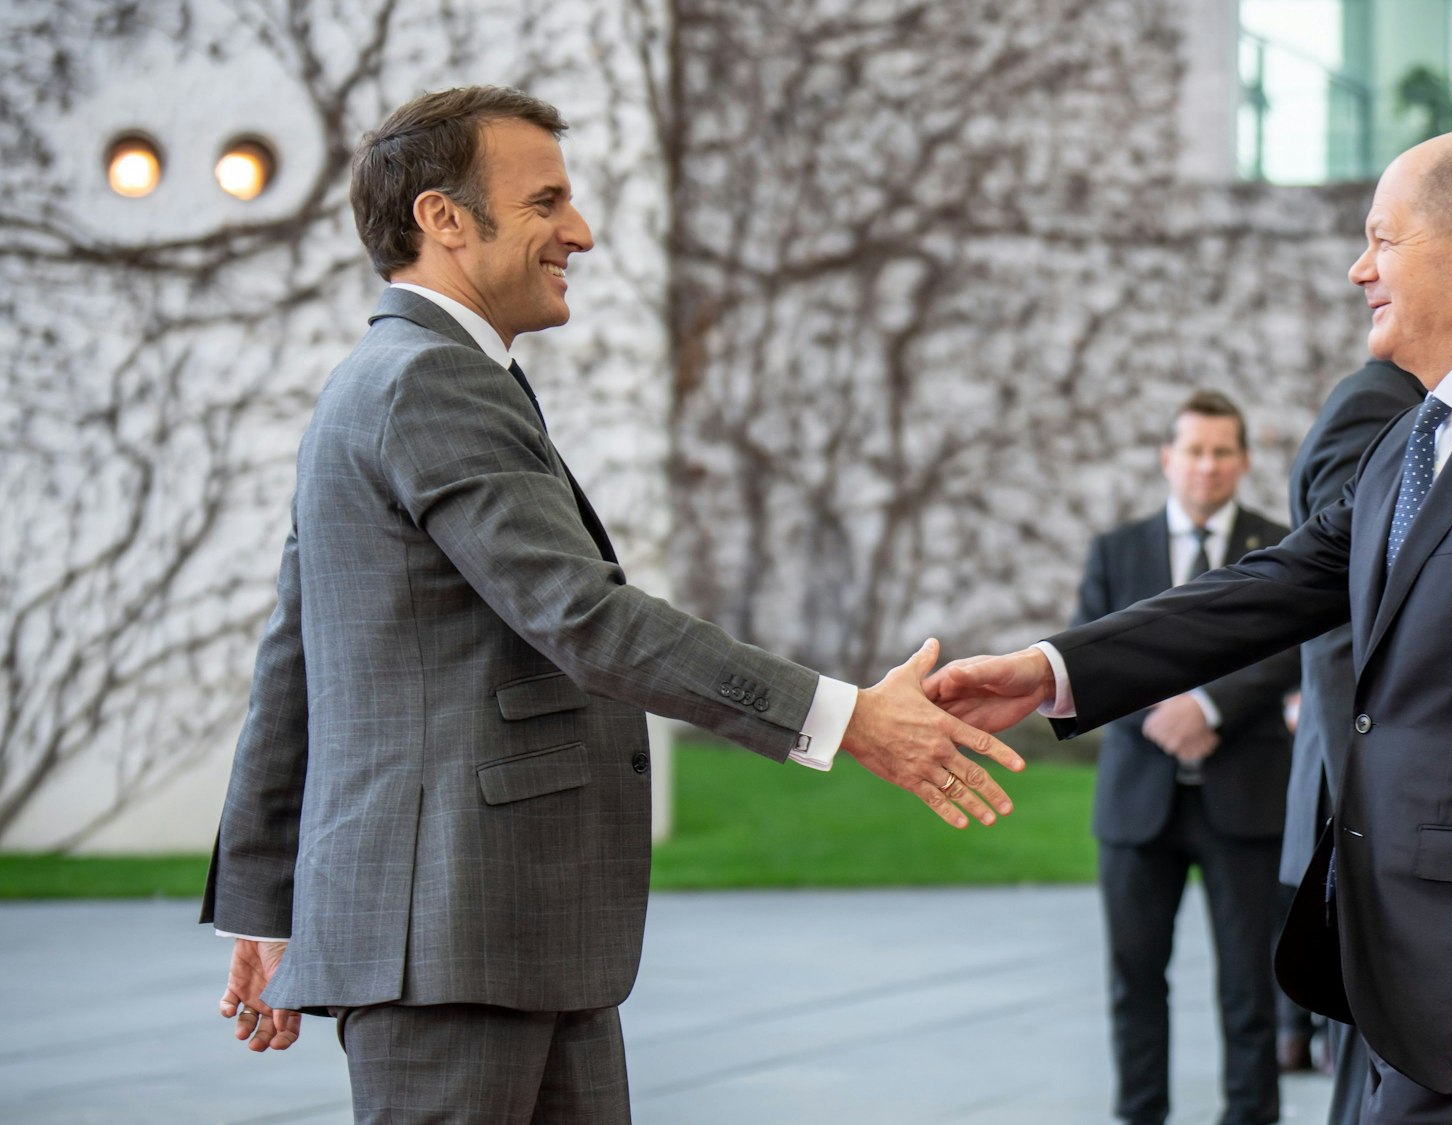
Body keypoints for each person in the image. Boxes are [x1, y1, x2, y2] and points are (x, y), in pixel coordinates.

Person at [199, 86, 1025, 1123]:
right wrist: (842, 717)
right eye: (546, 201)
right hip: (458, 945)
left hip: (509, 946)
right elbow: (582, 618)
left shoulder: (392, 380)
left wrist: (263, 903)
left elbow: (295, 654)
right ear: (442, 219)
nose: (578, 233)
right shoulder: (427, 385)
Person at [929, 126, 1452, 1125]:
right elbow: (1271, 585)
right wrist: (1051, 669)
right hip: (1395, 967)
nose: (1356, 269)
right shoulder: (1412, 440)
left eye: (1380, 238)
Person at [1077, 389, 1297, 1125]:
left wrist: (1210, 708)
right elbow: (1090, 651)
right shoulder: (1116, 550)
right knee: (1134, 981)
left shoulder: (1282, 545)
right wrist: (1165, 712)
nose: (1207, 466)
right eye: (1193, 451)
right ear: (1167, 458)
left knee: (1248, 988)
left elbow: (1296, 643)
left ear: (1243, 460)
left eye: (1221, 452)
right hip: (1139, 803)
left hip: (1246, 795)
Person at [1276, 358, 1424, 1119]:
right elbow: (1338, 626)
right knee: (1373, 1071)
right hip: (1377, 815)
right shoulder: (1380, 405)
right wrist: (1369, 814)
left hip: (1406, 815)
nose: (1363, 271)